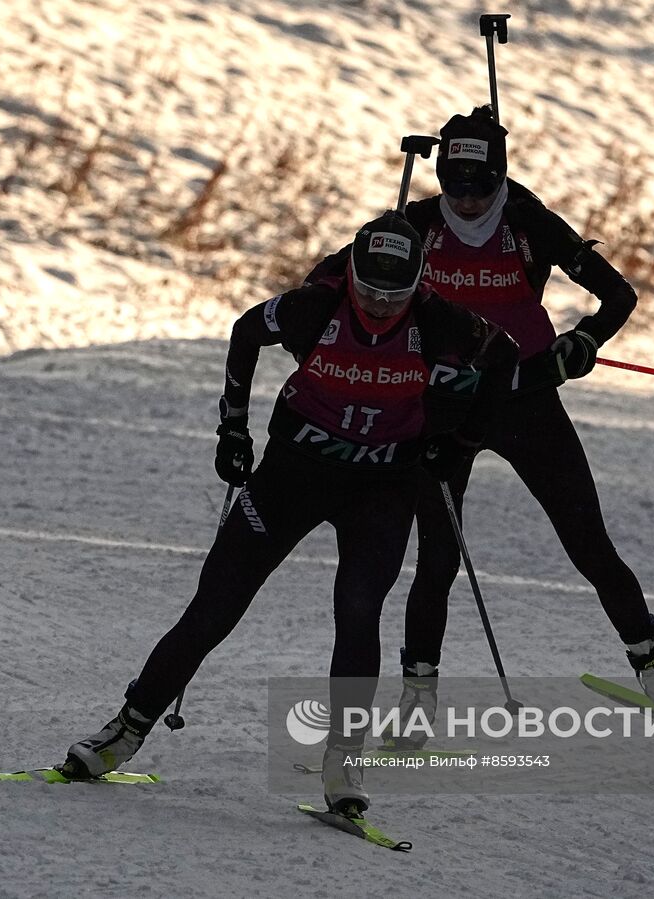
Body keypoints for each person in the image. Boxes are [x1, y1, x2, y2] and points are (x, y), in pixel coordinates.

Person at [62, 211, 520, 814]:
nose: (380, 306)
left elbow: (506, 360)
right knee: (214, 605)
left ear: (419, 285)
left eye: (395, 295)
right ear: (351, 273)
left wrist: (457, 442)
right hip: (292, 475)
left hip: (382, 487)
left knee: (359, 611)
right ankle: (126, 729)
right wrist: (232, 429)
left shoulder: (441, 320)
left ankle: (344, 760)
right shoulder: (315, 306)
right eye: (370, 290)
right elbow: (245, 331)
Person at [304, 108, 654, 741]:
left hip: (524, 397)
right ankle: (418, 700)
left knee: (587, 541)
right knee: (437, 556)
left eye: (479, 185)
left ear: (501, 176)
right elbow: (325, 282)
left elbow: (619, 295)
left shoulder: (527, 222)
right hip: (442, 408)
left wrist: (584, 340)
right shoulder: (417, 225)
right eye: (454, 183)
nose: (465, 200)